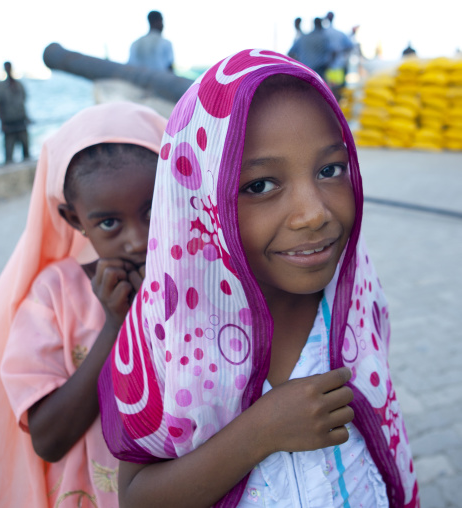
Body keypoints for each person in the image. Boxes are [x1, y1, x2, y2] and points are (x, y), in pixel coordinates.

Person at [98, 50, 420, 507]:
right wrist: (260, 432)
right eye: (260, 185)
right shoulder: (165, 334)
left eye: (330, 170)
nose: (314, 214)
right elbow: (136, 497)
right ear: (200, 202)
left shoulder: (354, 301)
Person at [0, 101, 166, 507]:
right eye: (109, 222)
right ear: (73, 220)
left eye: (152, 208)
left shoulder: (199, 275)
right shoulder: (53, 296)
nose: (138, 240)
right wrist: (115, 327)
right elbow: (49, 439)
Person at [0, 61, 30, 163]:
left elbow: (23, 103)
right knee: (9, 154)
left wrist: (27, 118)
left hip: (21, 121)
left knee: (26, 151)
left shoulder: (19, 85)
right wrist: (2, 123)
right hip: (8, 123)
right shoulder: (0, 87)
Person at [323, 12, 354, 98]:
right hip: (337, 66)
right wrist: (340, 52)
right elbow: (350, 46)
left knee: (327, 92)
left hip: (327, 67)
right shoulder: (339, 33)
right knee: (337, 93)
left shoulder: (323, 33)